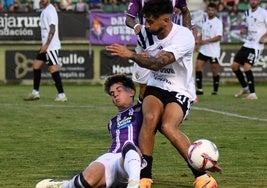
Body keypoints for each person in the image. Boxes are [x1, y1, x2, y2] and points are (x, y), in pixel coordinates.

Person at [106, 0, 221, 188]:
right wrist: (138, 60)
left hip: (179, 89)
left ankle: (201, 175)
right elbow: (145, 60)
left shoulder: (183, 36)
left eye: (151, 22)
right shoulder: (145, 33)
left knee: (168, 126)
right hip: (156, 85)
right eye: (146, 21)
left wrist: (131, 56)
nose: (147, 25)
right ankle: (145, 176)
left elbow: (159, 62)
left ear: (166, 20)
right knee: (149, 118)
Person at [35, 74, 143, 188]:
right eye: (112, 93)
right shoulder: (112, 122)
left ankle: (134, 184)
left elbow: (145, 86)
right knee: (85, 181)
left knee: (129, 146)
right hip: (111, 157)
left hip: (131, 159)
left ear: (131, 92)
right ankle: (62, 185)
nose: (115, 94)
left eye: (119, 90)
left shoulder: (141, 109)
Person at [126, 0, 196, 103]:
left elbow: (185, 11)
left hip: (170, 41)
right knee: (144, 85)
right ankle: (142, 110)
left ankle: (179, 103)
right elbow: (128, 19)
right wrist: (136, 26)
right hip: (146, 41)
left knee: (174, 76)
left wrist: (187, 31)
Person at [24, 0, 67, 102]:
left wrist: (47, 45)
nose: (42, 1)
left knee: (53, 69)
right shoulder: (45, 10)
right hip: (46, 46)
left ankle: (61, 95)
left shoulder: (50, 11)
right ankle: (35, 93)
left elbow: (52, 28)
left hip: (50, 46)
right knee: (36, 65)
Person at [231, 0, 267, 100]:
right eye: (251, 0)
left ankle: (253, 93)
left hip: (256, 46)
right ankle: (245, 87)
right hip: (247, 43)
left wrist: (263, 37)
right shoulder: (247, 12)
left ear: (259, 1)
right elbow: (248, 25)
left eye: (255, 0)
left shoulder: (264, 13)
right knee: (234, 66)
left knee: (247, 67)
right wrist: (244, 30)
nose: (253, 1)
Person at [195, 2, 223, 95]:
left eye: (212, 10)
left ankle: (215, 90)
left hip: (213, 51)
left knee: (214, 70)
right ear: (207, 10)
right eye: (209, 10)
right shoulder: (204, 20)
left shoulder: (218, 22)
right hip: (203, 50)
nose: (210, 11)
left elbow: (218, 37)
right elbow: (202, 33)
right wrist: (198, 44)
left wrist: (205, 41)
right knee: (198, 67)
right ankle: (200, 89)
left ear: (215, 11)